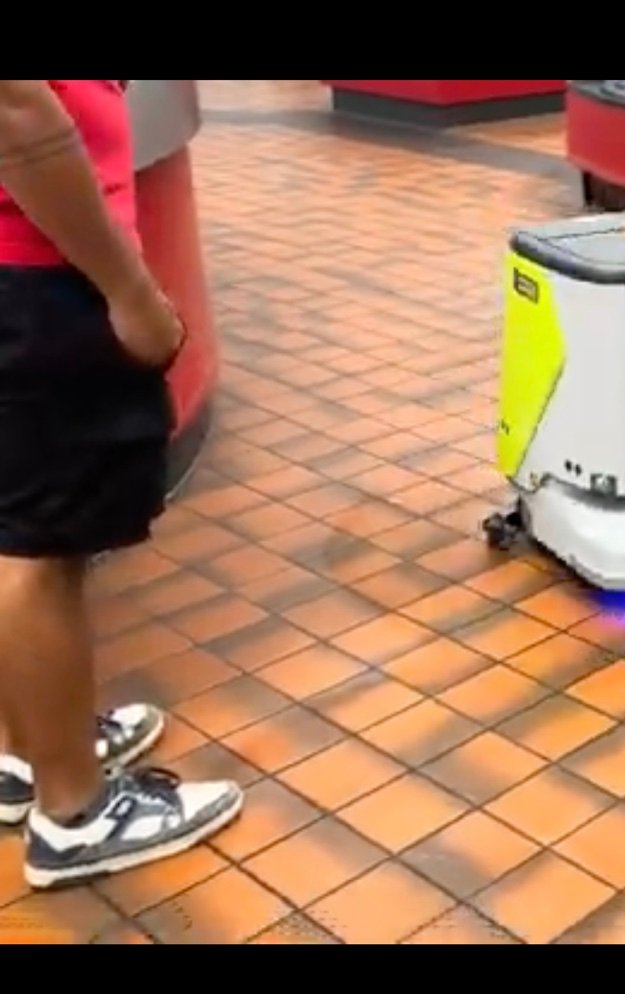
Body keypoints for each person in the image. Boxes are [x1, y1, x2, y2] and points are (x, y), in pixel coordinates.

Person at [0, 80, 242, 890]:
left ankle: (34, 749)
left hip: (21, 266)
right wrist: (131, 291)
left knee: (15, 526)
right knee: (39, 546)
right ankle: (73, 814)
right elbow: (18, 109)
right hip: (36, 271)